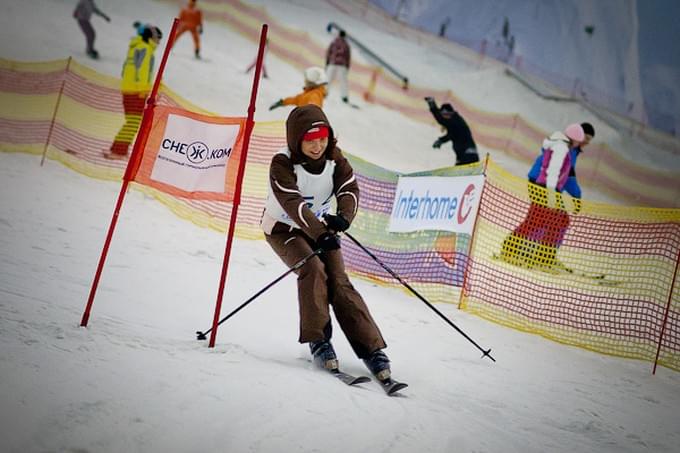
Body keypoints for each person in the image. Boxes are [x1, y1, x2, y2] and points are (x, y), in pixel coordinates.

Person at [260, 104, 394, 381]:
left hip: (317, 228)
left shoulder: (334, 158)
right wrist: (319, 231)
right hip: (283, 229)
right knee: (313, 269)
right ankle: (319, 342)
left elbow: (349, 188)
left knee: (339, 280)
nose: (317, 145)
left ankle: (371, 349)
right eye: (310, 140)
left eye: (322, 138)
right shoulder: (282, 163)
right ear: (297, 139)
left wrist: (343, 218)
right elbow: (292, 202)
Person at [499, 123, 589, 271]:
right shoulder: (561, 148)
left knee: (556, 220)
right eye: (579, 141)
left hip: (546, 189)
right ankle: (513, 250)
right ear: (574, 139)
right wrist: (552, 196)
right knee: (538, 221)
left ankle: (543, 256)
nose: (579, 144)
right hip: (546, 190)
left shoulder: (562, 146)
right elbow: (552, 172)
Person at [105, 25, 163, 159]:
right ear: (151, 38)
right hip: (136, 91)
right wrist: (143, 90)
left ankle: (119, 149)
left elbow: (127, 68)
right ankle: (118, 151)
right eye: (158, 39)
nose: (159, 43)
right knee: (133, 122)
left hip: (129, 88)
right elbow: (142, 71)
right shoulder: (145, 49)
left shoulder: (136, 47)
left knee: (132, 121)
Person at [424, 96, 480, 165]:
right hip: (461, 154)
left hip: (469, 154)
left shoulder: (456, 121)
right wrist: (431, 104)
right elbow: (439, 117)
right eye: (444, 115)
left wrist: (441, 140)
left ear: (451, 113)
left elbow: (452, 134)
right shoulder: (449, 119)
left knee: (462, 170)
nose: (445, 116)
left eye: (447, 114)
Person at [325, 30, 351, 104]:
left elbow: (329, 52)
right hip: (342, 65)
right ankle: (344, 96)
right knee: (343, 81)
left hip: (332, 63)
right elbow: (348, 56)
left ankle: (324, 93)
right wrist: (347, 66)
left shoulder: (334, 42)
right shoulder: (346, 45)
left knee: (328, 79)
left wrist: (327, 63)